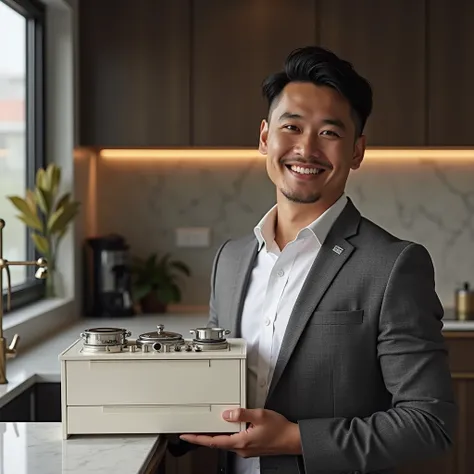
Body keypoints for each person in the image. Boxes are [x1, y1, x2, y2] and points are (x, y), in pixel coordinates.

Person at [174, 46, 457, 474]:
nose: (306, 149)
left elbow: (429, 424)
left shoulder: (394, 266)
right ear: (265, 137)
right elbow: (217, 392)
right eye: (292, 127)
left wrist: (293, 439)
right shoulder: (229, 260)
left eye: (329, 133)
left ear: (357, 151)